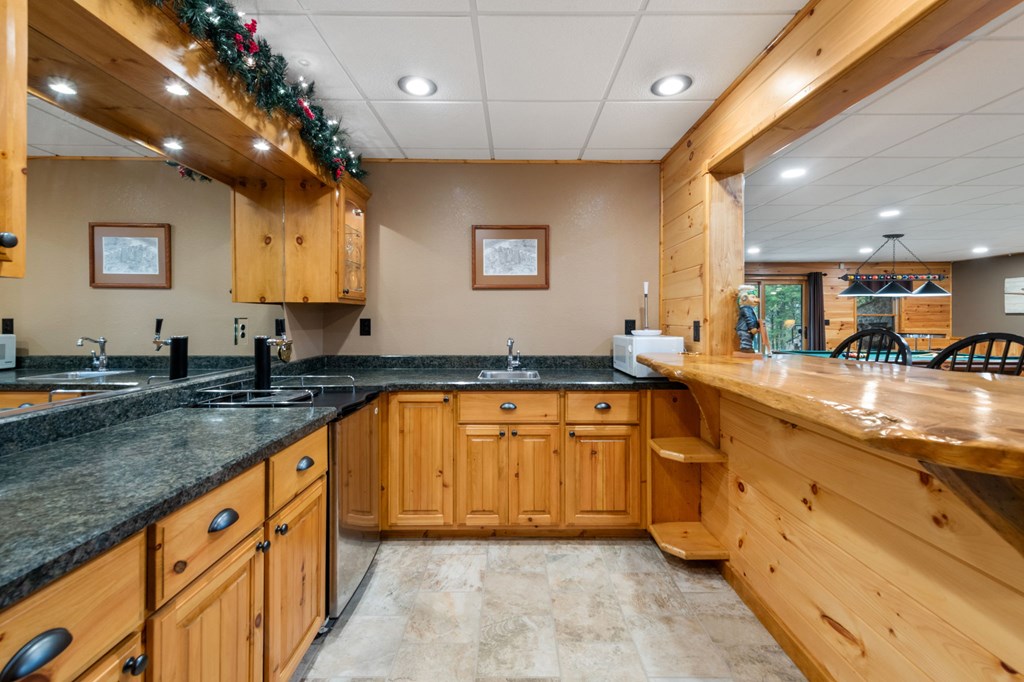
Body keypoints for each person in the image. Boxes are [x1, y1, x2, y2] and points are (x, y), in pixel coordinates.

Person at [736, 285, 761, 352]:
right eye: (753, 297)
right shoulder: (746, 309)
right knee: (746, 340)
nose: (756, 299)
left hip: (746, 329)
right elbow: (749, 318)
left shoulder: (748, 309)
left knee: (749, 339)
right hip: (744, 329)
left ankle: (748, 349)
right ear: (745, 298)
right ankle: (746, 349)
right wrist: (752, 327)